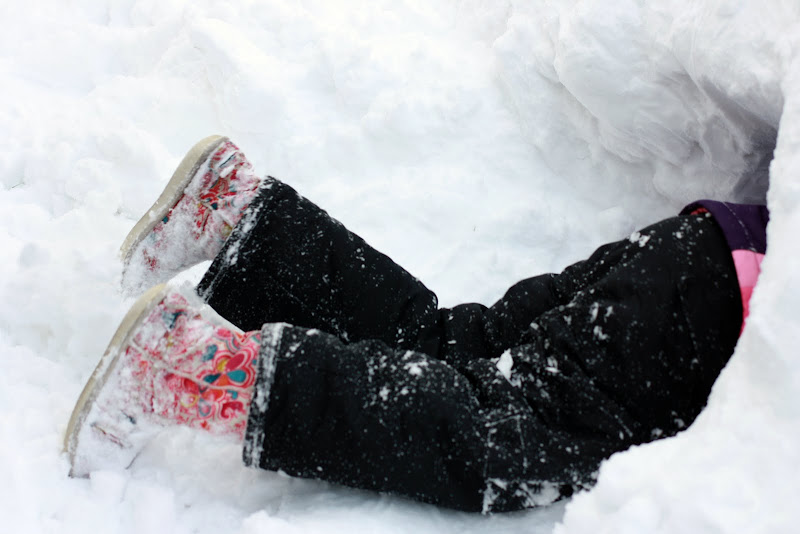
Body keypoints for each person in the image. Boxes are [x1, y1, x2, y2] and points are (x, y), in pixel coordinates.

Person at [63, 136, 769, 513]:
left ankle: (238, 216)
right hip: (724, 307)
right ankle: (200, 372)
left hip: (713, 249)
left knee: (464, 351)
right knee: (516, 437)